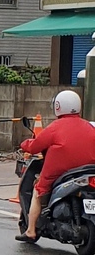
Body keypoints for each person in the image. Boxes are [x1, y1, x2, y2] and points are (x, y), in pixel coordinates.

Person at [17, 88, 95, 243]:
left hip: (60, 171)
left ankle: (31, 230)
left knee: (38, 192)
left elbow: (35, 146)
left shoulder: (55, 127)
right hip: (88, 170)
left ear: (58, 106)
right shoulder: (89, 126)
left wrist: (24, 144)